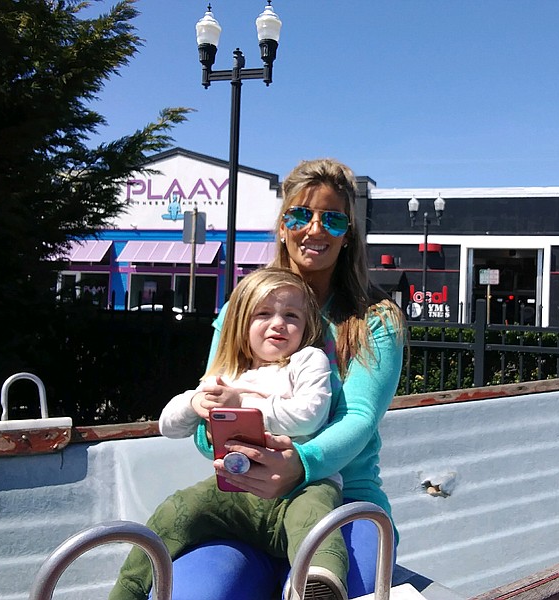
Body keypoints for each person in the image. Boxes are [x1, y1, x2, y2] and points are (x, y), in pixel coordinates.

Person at [144, 158, 405, 600]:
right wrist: (237, 452)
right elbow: (211, 414)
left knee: (331, 592)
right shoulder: (238, 312)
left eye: (333, 218)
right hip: (244, 502)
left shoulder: (375, 321)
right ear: (283, 226)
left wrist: (299, 466)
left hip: (344, 504)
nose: (315, 229)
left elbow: (359, 420)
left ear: (349, 235)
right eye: (300, 214)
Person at [109, 267, 350, 600]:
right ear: (240, 324)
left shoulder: (307, 360)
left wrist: (242, 404)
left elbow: (309, 416)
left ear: (307, 326)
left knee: (315, 519)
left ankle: (318, 583)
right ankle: (129, 590)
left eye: (291, 316)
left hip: (301, 487)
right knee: (178, 509)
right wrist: (195, 403)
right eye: (263, 314)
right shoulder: (227, 373)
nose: (278, 323)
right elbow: (168, 426)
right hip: (235, 489)